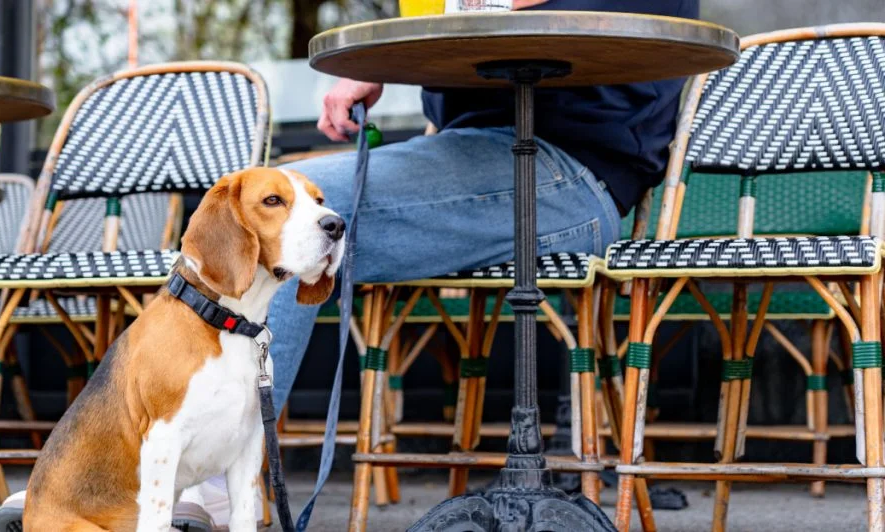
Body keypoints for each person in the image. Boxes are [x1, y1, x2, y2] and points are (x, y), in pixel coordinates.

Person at [190, 0, 700, 527]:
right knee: (279, 216)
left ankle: (215, 482)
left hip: (572, 173)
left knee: (293, 214)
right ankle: (198, 467)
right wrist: (377, 63)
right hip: (476, 153)